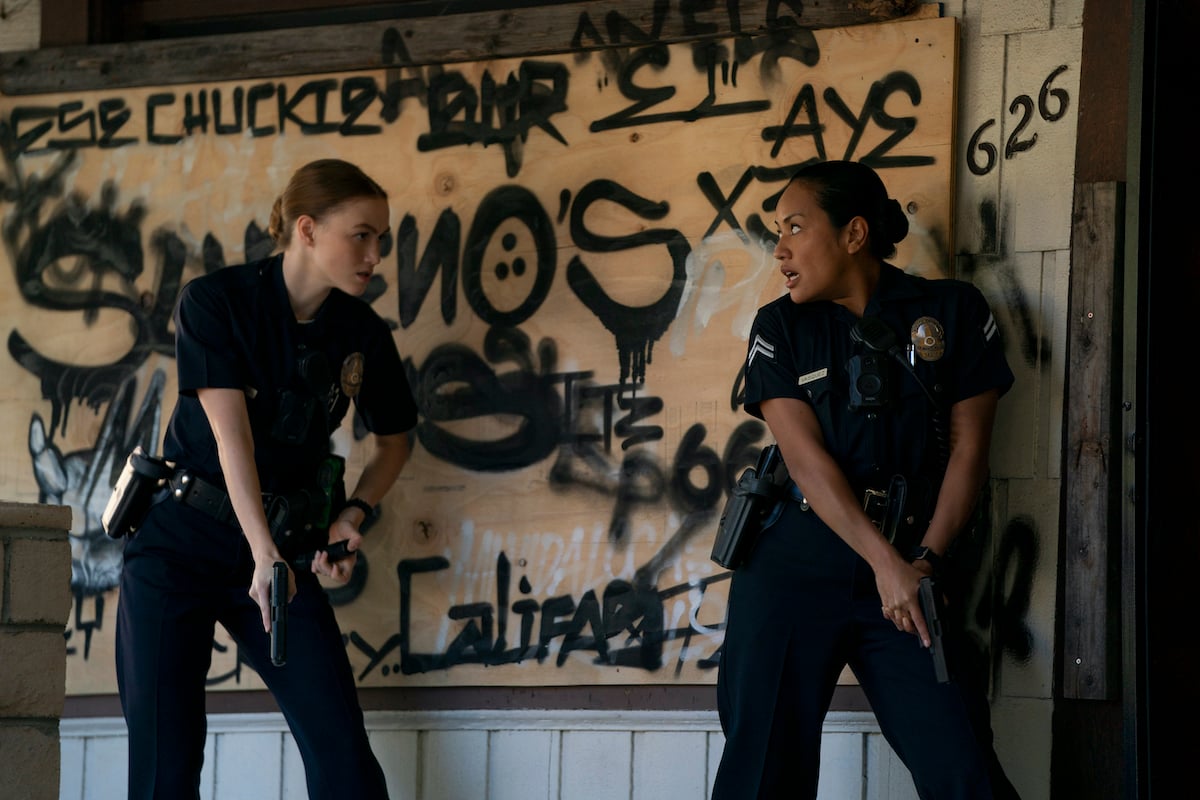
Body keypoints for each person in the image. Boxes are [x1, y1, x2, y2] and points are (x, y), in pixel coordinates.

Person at [712, 160, 1021, 799]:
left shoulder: (951, 311)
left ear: (854, 234)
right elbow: (805, 463)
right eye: (777, 232)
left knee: (962, 769)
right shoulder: (779, 327)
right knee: (762, 772)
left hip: (912, 569)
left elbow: (969, 451)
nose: (781, 249)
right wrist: (886, 563)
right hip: (794, 567)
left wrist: (924, 561)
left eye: (796, 227)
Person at [115, 158, 419, 800]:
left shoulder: (362, 331)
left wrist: (351, 515)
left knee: (346, 763)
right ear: (306, 230)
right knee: (164, 771)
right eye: (360, 234)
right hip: (179, 547)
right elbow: (233, 441)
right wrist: (264, 555)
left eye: (381, 239)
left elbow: (395, 440)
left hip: (279, 554)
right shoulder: (216, 302)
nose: (374, 254)